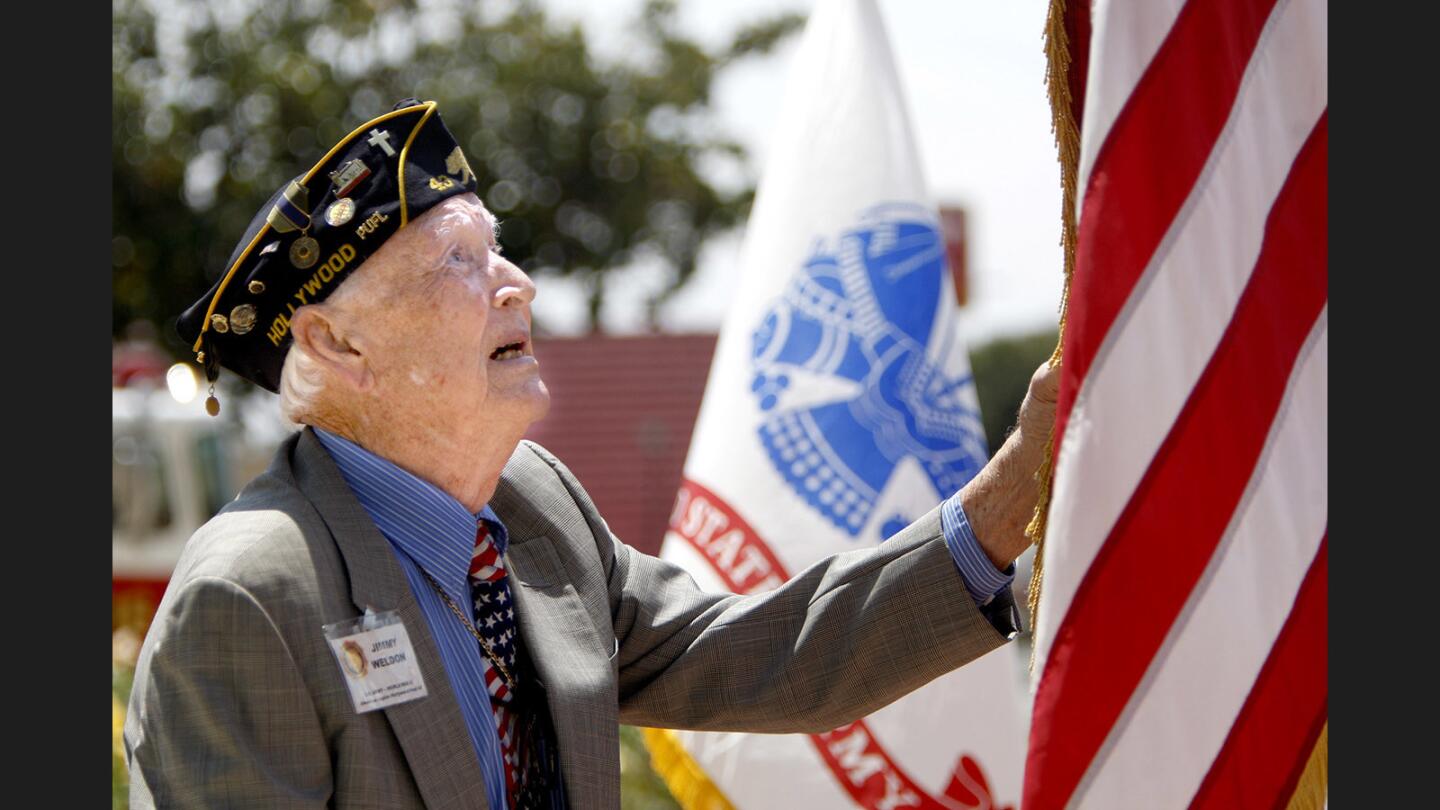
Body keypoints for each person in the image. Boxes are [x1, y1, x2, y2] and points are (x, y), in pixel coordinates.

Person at [124, 99, 1058, 809]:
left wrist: (1014, 491)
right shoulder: (250, 598)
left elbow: (759, 655)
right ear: (336, 347)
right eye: (457, 262)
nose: (516, 284)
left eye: (498, 250)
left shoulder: (531, 504)